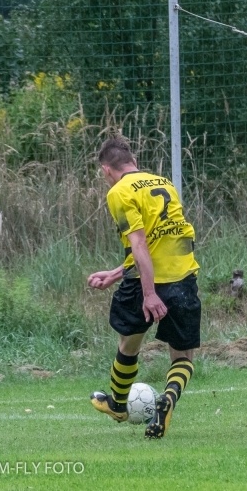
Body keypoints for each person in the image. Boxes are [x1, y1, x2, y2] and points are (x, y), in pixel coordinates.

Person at [87, 136, 201, 439]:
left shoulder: (119, 192)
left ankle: (119, 405)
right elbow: (159, 239)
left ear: (107, 170)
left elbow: (139, 242)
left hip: (143, 285)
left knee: (129, 345)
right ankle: (169, 399)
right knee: (182, 355)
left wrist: (149, 293)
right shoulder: (162, 182)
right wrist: (116, 272)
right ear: (133, 161)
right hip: (182, 277)